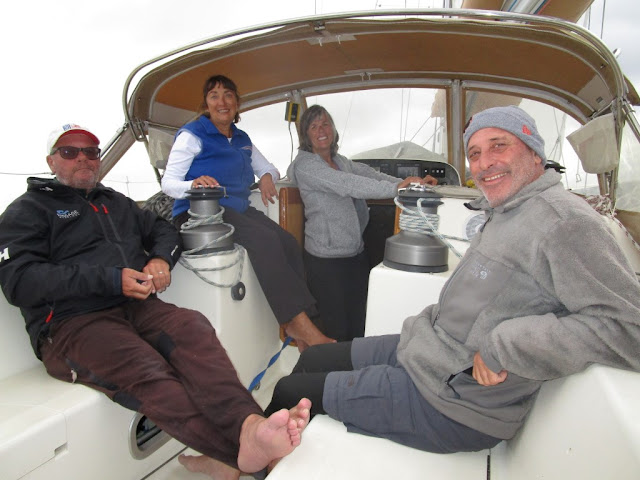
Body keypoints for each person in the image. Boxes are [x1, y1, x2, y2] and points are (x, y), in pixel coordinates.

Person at [265, 106, 640, 453]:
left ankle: (255, 461)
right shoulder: (508, 210)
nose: (485, 162)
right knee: (313, 358)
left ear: (535, 153)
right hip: (430, 351)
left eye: (499, 145)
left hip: (453, 401)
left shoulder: (564, 222)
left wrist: (506, 345)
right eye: (475, 153)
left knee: (287, 390)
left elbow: (628, 327)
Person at [0, 124, 311, 480]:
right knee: (146, 365)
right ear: (51, 162)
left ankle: (249, 424)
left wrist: (161, 258)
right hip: (72, 323)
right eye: (70, 152)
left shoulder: (114, 203)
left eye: (91, 151)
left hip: (135, 307)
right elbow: (19, 280)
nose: (83, 158)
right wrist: (110, 279)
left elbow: (163, 230)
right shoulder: (27, 210)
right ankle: (240, 455)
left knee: (193, 328)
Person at [162, 75, 333, 350]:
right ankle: (295, 323)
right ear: (206, 104)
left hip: (237, 210)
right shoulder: (192, 135)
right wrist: (193, 184)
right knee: (264, 241)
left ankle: (307, 326)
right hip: (200, 213)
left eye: (228, 95)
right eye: (214, 96)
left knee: (288, 243)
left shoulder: (241, 139)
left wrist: (265, 176)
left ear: (237, 103)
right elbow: (168, 184)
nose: (222, 101)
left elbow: (270, 168)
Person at [287, 105, 437, 341]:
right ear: (306, 135)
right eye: (313, 127)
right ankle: (336, 365)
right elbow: (346, 184)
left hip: (354, 252)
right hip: (326, 259)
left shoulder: (341, 161)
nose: (321, 130)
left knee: (360, 321)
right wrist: (395, 188)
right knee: (337, 327)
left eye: (325, 124)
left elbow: (370, 175)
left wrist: (407, 182)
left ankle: (355, 362)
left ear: (333, 129)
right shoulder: (306, 166)